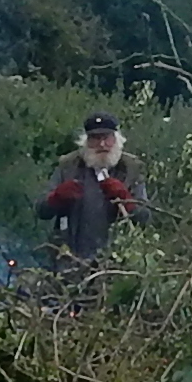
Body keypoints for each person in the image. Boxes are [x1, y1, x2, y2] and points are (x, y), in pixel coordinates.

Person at [35, 109, 153, 272]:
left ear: (116, 139)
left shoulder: (132, 168)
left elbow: (145, 218)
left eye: (106, 138)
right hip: (70, 261)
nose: (102, 144)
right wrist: (56, 198)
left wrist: (126, 200)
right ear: (86, 142)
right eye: (95, 139)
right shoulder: (68, 166)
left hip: (116, 265)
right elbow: (41, 210)